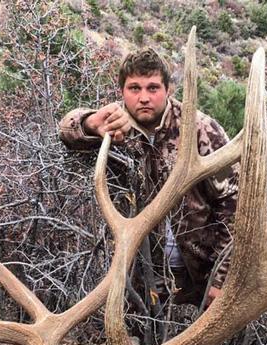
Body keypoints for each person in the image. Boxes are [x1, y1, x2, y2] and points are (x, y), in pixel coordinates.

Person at [58, 48, 237, 310]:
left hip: (199, 273)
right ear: (122, 91)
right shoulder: (114, 124)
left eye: (153, 88)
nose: (144, 97)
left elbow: (234, 204)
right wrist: (89, 123)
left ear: (168, 89)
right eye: (134, 88)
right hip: (138, 276)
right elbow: (66, 131)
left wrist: (222, 279)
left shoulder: (200, 129)